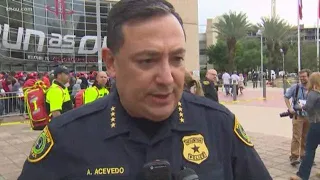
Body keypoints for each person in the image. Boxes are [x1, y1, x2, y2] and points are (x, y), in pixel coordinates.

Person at [18, 0, 271, 179]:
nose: (167, 78)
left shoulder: (220, 126)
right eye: (147, 61)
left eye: (176, 59)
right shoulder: (66, 139)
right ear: (111, 63)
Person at [290, 72, 320, 180]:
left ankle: (302, 176)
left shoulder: (313, 93)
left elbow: (308, 107)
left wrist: (299, 106)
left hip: (316, 125)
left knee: (309, 150)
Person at [284, 69, 311, 166]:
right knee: (296, 136)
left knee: (306, 137)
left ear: (309, 76)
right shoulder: (295, 87)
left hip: (309, 116)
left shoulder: (313, 88)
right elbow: (286, 96)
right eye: (301, 77)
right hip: (298, 116)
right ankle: (294, 156)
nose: (302, 78)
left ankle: (304, 155)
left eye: (304, 76)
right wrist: (290, 108)